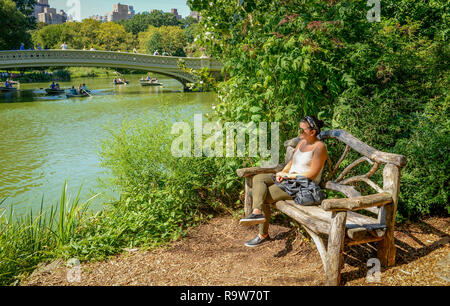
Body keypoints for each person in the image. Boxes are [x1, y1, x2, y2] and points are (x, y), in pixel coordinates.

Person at [239, 116, 328, 247]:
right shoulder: (301, 143)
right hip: (289, 180)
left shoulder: (319, 147)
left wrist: (288, 176)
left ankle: (262, 234)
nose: (299, 132)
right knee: (258, 178)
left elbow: (311, 174)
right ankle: (257, 212)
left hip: (301, 185)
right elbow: (291, 162)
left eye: (302, 130)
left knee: (260, 194)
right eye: (299, 129)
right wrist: (283, 173)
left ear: (313, 132)